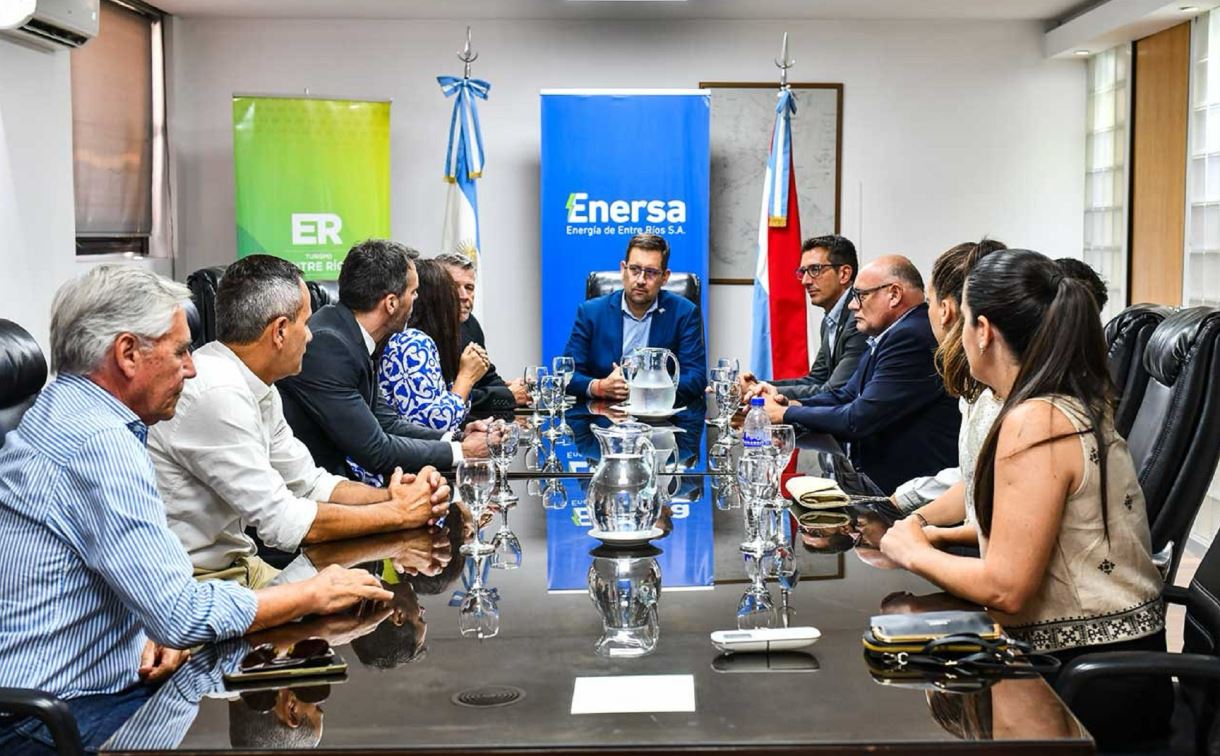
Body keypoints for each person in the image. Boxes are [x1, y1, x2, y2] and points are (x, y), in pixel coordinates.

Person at [0, 266, 393, 753]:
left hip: (79, 688)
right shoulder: (98, 444)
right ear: (127, 354)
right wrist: (312, 593)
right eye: (181, 351)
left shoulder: (66, 414)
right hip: (53, 720)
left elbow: (124, 588)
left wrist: (142, 631)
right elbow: (181, 614)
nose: (191, 368)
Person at [879, 250, 1169, 746]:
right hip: (1107, 663)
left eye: (964, 320)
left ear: (983, 330)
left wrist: (913, 552)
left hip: (1088, 684)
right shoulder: (1059, 402)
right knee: (904, 668)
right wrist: (936, 538)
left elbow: (1006, 591)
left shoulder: (1037, 421)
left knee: (896, 692)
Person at [148, 255, 451, 588]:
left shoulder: (260, 387)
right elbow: (282, 522)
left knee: (363, 599)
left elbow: (310, 483)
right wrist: (400, 513)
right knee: (356, 602)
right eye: (305, 323)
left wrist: (391, 497)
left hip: (244, 566)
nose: (310, 336)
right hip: (200, 580)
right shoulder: (218, 393)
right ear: (279, 331)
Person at [279, 240, 489, 479]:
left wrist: (457, 437)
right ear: (391, 303)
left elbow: (388, 423)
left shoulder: (350, 334)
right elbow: (376, 450)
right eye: (413, 292)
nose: (417, 299)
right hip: (318, 489)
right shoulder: (330, 346)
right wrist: (462, 451)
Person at [762, 255, 960, 493]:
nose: (852, 305)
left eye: (860, 295)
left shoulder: (910, 336)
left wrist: (785, 413)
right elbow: (845, 395)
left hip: (909, 496)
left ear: (894, 294)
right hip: (881, 487)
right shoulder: (892, 332)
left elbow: (858, 419)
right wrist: (792, 404)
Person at [891, 240, 1008, 521]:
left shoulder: (999, 397)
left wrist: (916, 535)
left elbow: (994, 525)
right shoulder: (977, 385)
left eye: (928, 302)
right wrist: (915, 521)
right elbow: (973, 481)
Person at [563, 233, 707, 405]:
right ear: (623, 269)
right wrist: (599, 387)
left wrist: (643, 387)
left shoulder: (684, 313)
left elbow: (696, 378)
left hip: (660, 414)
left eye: (651, 272)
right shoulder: (591, 312)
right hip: (603, 414)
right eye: (635, 269)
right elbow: (567, 375)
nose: (640, 280)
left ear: (665, 277)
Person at [741, 234, 869, 399]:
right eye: (803, 272)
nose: (805, 281)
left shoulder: (859, 319)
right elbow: (816, 379)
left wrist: (761, 390)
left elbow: (835, 391)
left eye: (815, 270)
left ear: (844, 274)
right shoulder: (830, 320)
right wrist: (758, 385)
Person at [379, 258, 489, 432]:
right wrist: (466, 377)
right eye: (452, 293)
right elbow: (432, 424)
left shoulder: (424, 339)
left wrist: (462, 433)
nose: (461, 298)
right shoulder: (412, 342)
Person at [436, 252, 529, 414]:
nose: (464, 296)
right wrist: (507, 395)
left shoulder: (470, 324)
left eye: (469, 288)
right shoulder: (422, 331)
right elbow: (446, 397)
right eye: (454, 287)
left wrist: (514, 389)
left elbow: (487, 376)